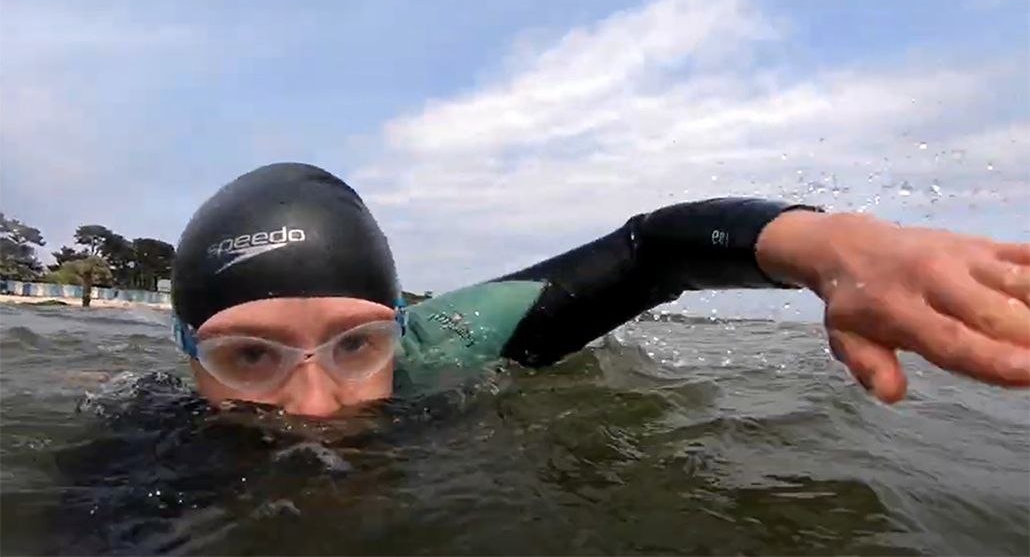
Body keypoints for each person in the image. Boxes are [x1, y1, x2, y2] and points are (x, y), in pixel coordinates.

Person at [170, 162, 1029, 417]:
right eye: (250, 357)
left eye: (358, 344)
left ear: (402, 325)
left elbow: (649, 252)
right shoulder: (131, 458)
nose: (316, 406)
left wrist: (828, 245)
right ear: (188, 355)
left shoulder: (449, 348)